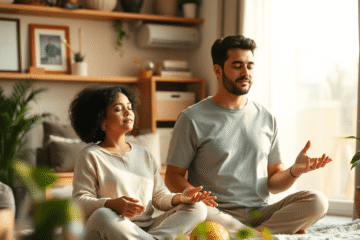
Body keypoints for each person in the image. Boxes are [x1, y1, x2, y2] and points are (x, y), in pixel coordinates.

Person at [164, 35, 333, 238]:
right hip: (215, 212)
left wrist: (294, 171)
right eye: (237, 66)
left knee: (317, 201)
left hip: (260, 212)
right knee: (197, 211)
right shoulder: (191, 118)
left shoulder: (267, 117)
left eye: (250, 66)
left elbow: (274, 182)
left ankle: (250, 235)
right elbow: (172, 176)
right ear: (218, 70)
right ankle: (264, 235)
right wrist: (193, 195)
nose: (246, 73)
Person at [70, 85, 213, 240]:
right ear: (101, 119)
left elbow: (159, 196)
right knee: (102, 215)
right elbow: (80, 202)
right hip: (113, 226)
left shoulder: (144, 154)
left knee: (198, 208)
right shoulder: (90, 155)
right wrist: (111, 204)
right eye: (118, 109)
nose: (128, 113)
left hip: (148, 228)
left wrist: (182, 198)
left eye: (130, 108)